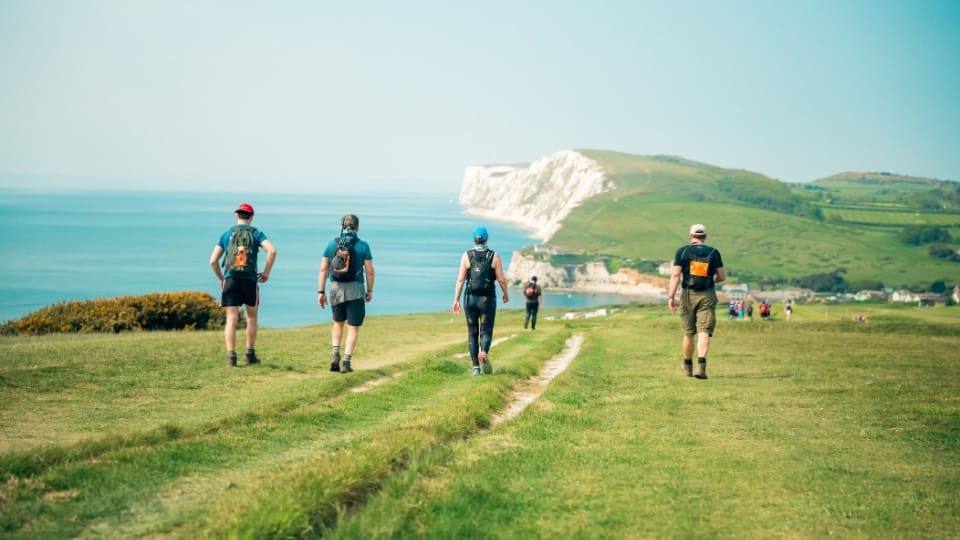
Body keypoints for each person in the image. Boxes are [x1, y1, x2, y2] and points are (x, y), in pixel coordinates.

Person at [209, 202, 277, 367]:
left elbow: (213, 261)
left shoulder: (227, 234)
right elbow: (272, 250)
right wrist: (266, 272)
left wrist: (221, 279)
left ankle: (231, 357)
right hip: (249, 280)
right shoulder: (256, 233)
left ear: (236, 215)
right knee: (251, 317)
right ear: (251, 217)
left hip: (230, 280)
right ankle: (249, 354)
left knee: (231, 318)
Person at [667, 223, 726, 379]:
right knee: (704, 331)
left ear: (690, 236)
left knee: (688, 333)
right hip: (707, 294)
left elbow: (675, 275)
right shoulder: (713, 252)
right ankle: (701, 367)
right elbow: (722, 277)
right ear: (705, 236)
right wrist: (711, 279)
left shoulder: (682, 251)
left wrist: (671, 296)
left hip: (687, 295)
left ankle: (687, 366)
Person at [318, 214, 375, 373]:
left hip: (335, 288)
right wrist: (370, 290)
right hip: (356, 289)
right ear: (357, 227)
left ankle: (335, 354)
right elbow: (369, 271)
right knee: (353, 327)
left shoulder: (331, 244)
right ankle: (346, 362)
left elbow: (323, 269)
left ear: (341, 226)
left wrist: (321, 291)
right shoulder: (363, 246)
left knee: (338, 323)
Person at [452, 226, 509, 376]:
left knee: (472, 332)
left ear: (473, 240)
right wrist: (506, 294)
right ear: (486, 239)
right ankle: (483, 351)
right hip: (487, 299)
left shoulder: (466, 256)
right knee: (486, 330)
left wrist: (456, 299)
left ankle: (476, 368)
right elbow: (502, 279)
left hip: (470, 299)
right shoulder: (494, 256)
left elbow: (460, 280)